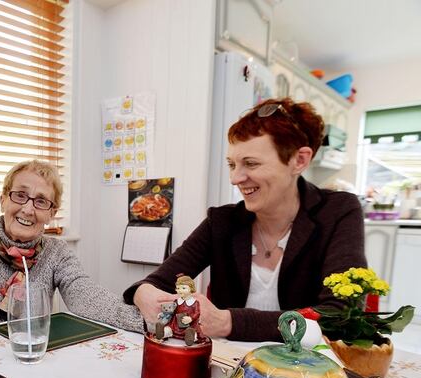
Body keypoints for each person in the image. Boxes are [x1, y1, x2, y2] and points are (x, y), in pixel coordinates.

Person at [125, 98, 366, 342]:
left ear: (299, 160)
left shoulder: (338, 212)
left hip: (304, 371)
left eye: (250, 163)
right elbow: (156, 282)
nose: (235, 178)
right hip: (229, 367)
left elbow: (340, 317)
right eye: (232, 165)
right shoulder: (222, 221)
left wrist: (229, 323)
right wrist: (142, 293)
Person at [0, 160, 143, 344]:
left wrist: (148, 321)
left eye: (41, 201)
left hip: (29, 354)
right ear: (3, 199)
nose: (28, 209)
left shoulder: (57, 253)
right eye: (20, 195)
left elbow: (84, 295)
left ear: (52, 213)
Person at [155, 274, 206, 346]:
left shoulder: (195, 303)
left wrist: (191, 318)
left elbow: (197, 313)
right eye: (178, 288)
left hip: (189, 325)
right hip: (175, 325)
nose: (180, 291)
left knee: (192, 332)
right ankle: (162, 333)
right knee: (168, 330)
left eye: (183, 288)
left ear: (191, 288)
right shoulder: (176, 301)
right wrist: (163, 314)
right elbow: (171, 311)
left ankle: (189, 337)